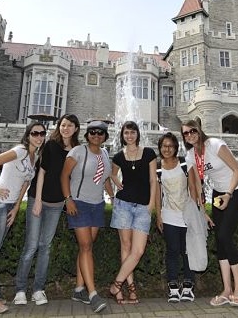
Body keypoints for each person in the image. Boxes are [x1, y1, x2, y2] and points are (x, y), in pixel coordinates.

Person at [0, 121, 46, 314]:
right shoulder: (21, 150)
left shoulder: (34, 156)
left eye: (42, 134)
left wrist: (16, 208)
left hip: (9, 206)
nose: (39, 137)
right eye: (35, 133)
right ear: (28, 134)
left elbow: (25, 183)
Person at [13, 114, 81, 306]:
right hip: (39, 199)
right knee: (31, 246)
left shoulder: (77, 151)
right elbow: (41, 173)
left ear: (76, 128)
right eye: (63, 125)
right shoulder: (51, 145)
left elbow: (73, 178)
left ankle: (38, 289)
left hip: (57, 204)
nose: (65, 128)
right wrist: (37, 200)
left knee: (45, 247)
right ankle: (19, 289)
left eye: (69, 126)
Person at [181, 120, 238, 308]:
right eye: (185, 133)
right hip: (219, 194)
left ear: (199, 130)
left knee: (225, 235)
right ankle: (227, 290)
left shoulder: (215, 145)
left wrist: (229, 194)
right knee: (219, 240)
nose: (190, 135)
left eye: (192, 131)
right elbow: (195, 185)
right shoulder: (190, 155)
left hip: (237, 189)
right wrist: (202, 211)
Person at [60, 120, 114, 314]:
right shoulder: (77, 152)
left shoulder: (105, 154)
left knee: (87, 247)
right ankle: (93, 294)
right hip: (79, 203)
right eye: (93, 132)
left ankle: (78, 289)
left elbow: (104, 178)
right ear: (87, 134)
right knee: (85, 247)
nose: (96, 135)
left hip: (97, 205)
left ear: (105, 136)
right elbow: (64, 175)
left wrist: (113, 197)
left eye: (100, 133)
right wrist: (69, 200)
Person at [108, 120, 157, 304]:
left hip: (143, 207)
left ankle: (116, 285)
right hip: (123, 205)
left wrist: (151, 203)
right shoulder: (119, 156)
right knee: (126, 248)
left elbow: (153, 180)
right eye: (126, 133)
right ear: (122, 135)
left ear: (137, 134)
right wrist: (116, 181)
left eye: (132, 132)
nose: (129, 136)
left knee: (138, 251)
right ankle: (130, 290)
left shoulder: (149, 153)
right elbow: (112, 173)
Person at [155, 131, 203, 303]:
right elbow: (157, 193)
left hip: (187, 214)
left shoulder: (184, 162)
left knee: (188, 250)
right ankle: (173, 286)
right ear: (160, 148)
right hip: (169, 215)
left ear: (175, 147)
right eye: (163, 146)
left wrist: (196, 212)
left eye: (170, 146)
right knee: (173, 251)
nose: (167, 149)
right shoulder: (158, 167)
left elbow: (192, 188)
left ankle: (188, 286)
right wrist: (158, 216)